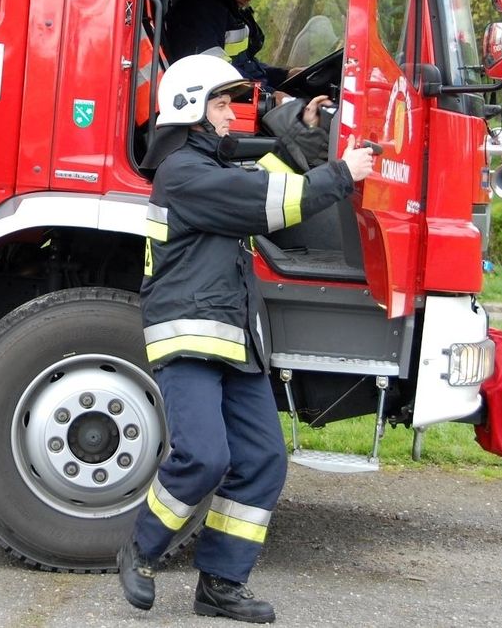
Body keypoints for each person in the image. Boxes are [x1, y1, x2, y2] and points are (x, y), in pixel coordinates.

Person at [117, 54, 374, 623]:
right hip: (190, 336)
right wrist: (343, 172)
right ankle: (140, 547)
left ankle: (221, 584)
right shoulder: (183, 172)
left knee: (261, 460)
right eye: (220, 103)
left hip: (235, 337)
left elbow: (266, 179)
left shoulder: (212, 171)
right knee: (205, 457)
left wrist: (305, 132)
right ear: (188, 110)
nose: (233, 115)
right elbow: (269, 202)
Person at [165, 0, 287, 91]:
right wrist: (270, 96)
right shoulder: (197, 12)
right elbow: (216, 73)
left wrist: (284, 75)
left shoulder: (230, 9)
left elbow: (245, 65)